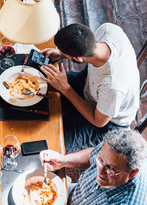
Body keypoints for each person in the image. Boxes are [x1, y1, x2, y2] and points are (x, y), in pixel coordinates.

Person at [40, 23, 140, 153]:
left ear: (77, 59)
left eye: (65, 53)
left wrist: (66, 88)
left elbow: (98, 121)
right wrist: (61, 53)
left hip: (105, 124)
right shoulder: (108, 30)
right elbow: (83, 47)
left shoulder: (113, 86)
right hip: (89, 85)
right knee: (41, 85)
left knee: (51, 144)